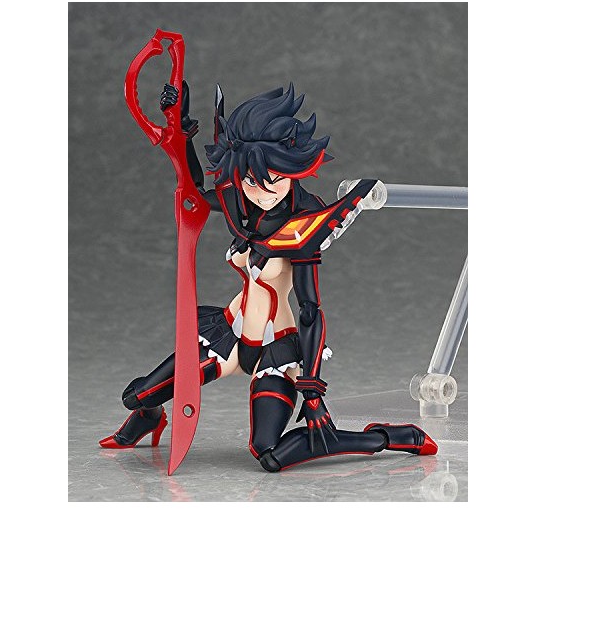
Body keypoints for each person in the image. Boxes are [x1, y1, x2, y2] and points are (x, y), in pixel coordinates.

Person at [99, 81, 437, 471]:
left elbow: (310, 311)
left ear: (293, 170)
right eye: (251, 181)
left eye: (273, 180)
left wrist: (312, 390)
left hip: (275, 350)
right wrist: (181, 127)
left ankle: (385, 437)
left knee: (269, 454)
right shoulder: (240, 204)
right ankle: (149, 418)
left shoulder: (303, 226)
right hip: (230, 333)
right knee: (137, 396)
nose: (262, 193)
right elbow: (192, 192)